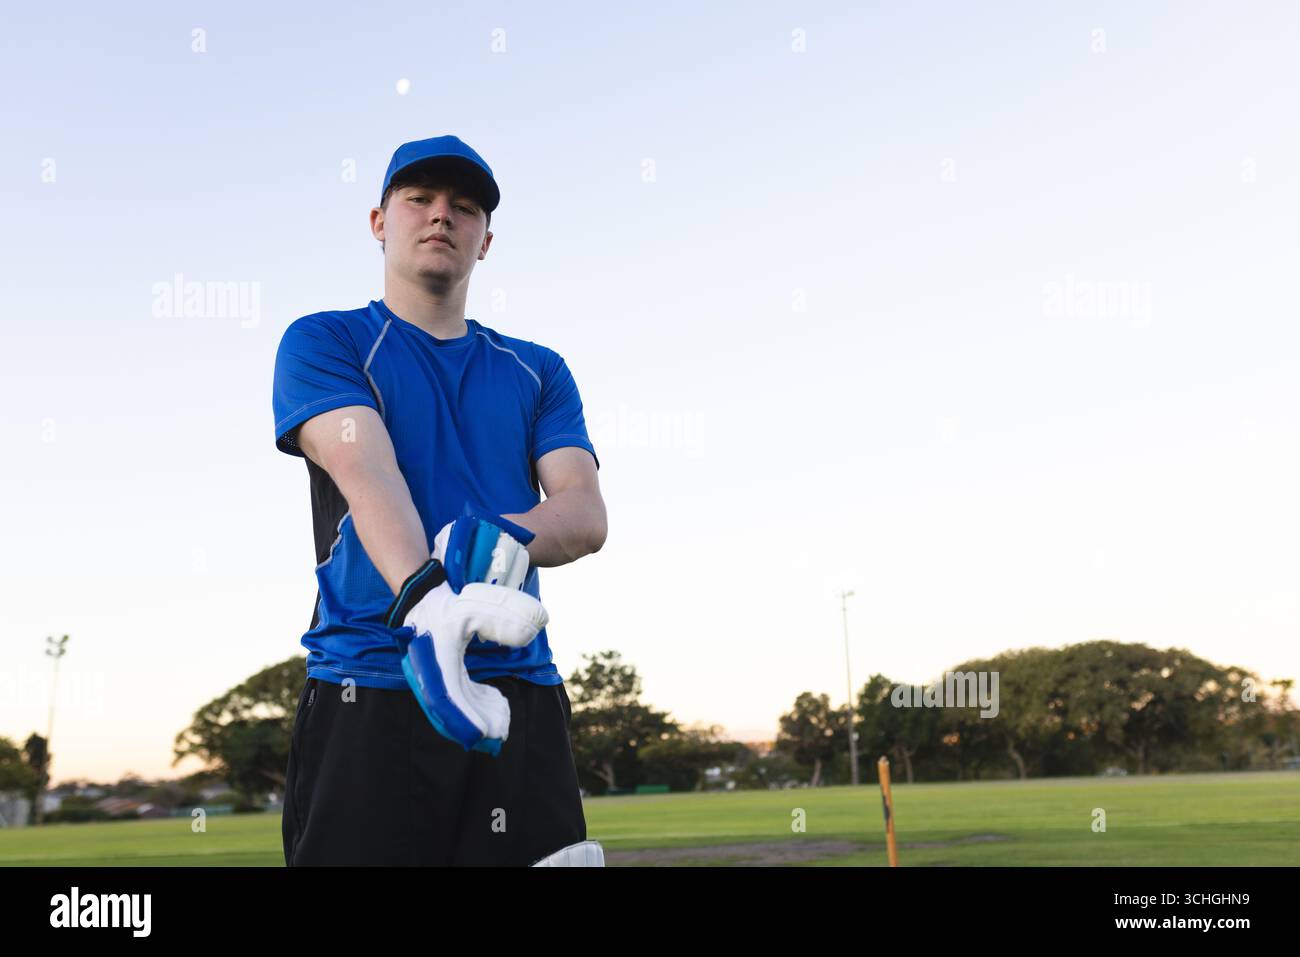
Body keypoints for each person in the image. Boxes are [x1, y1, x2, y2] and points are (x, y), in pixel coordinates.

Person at [272, 134, 607, 865]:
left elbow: (582, 511)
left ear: (486, 241)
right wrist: (430, 606)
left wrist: (495, 536)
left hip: (517, 688)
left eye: (464, 207)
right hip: (370, 683)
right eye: (418, 198)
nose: (441, 216)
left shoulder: (537, 369)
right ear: (378, 221)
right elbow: (367, 470)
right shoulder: (325, 339)